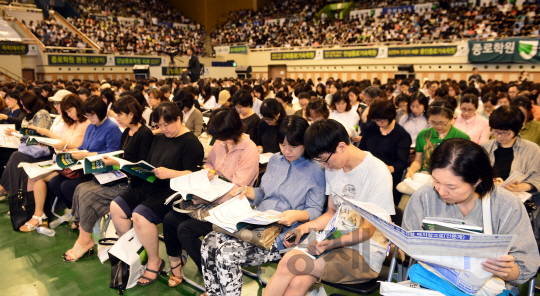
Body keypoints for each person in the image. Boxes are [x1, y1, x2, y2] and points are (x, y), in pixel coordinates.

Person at [264, 119, 395, 295]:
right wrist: (302, 229)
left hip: (364, 253)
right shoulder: (333, 167)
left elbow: (366, 232)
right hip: (332, 239)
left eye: (324, 160)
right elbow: (332, 213)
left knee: (290, 262)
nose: (324, 166)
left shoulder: (377, 172)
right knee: (296, 282)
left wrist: (329, 244)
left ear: (341, 146)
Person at [200, 116, 326, 296]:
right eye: (282, 145)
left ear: (305, 143)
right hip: (256, 222)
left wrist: (295, 215)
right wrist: (249, 191)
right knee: (209, 242)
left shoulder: (317, 170)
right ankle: (214, 293)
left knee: (227, 254)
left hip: (282, 234)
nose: (287, 151)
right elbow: (263, 193)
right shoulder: (275, 160)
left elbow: (315, 211)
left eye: (293, 146)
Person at [403, 138, 540, 295]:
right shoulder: (425, 197)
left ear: (477, 180)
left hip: (489, 288)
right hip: (434, 282)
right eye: (436, 181)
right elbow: (410, 240)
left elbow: (527, 264)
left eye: (451, 186)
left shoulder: (506, 205)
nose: (441, 191)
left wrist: (508, 271)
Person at [109, 102, 204, 286]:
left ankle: (154, 261)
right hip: (151, 185)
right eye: (159, 125)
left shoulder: (191, 143)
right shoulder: (160, 138)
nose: (163, 129)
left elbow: (195, 175)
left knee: (140, 215)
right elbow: (151, 163)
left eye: (166, 125)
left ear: (178, 119)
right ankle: (135, 250)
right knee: (116, 207)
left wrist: (170, 173)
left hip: (172, 193)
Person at [163, 107, 259, 288]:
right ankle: (176, 264)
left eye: (222, 137)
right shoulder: (221, 142)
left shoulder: (249, 150)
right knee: (169, 219)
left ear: (233, 131)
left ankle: (211, 272)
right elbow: (209, 163)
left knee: (185, 229)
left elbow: (236, 189)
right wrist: (208, 173)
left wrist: (205, 198)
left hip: (229, 206)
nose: (219, 141)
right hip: (208, 198)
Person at [63, 96, 153, 261]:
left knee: (88, 194)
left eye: (120, 114)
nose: (117, 118)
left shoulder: (144, 134)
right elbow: (119, 156)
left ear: (131, 114)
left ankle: (85, 241)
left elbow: (142, 167)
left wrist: (117, 163)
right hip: (120, 176)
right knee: (81, 188)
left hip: (134, 183)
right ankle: (85, 238)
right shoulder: (126, 131)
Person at [48, 95, 122, 210]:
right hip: (85, 167)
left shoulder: (111, 128)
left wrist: (85, 155)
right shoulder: (91, 126)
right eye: (87, 115)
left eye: (91, 115)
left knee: (67, 186)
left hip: (100, 170)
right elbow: (84, 146)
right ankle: (78, 212)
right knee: (54, 183)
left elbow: (112, 153)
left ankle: (83, 213)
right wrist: (70, 152)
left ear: (100, 111)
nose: (89, 118)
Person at [397, 100, 470, 197]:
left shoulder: (462, 138)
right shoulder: (424, 134)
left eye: (442, 123)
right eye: (433, 122)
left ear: (452, 118)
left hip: (449, 181)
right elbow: (418, 161)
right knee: (405, 204)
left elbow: (463, 168)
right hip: (424, 177)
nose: (437, 126)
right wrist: (411, 171)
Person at [0, 91, 53, 197]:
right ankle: (10, 192)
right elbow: (26, 132)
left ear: (31, 103)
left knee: (15, 156)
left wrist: (19, 134)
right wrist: (16, 134)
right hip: (28, 148)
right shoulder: (28, 115)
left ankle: (6, 189)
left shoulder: (42, 114)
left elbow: (39, 135)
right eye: (22, 105)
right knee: (15, 156)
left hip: (39, 151)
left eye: (25, 104)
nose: (23, 107)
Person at [360, 99, 412, 205]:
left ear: (391, 116)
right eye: (376, 120)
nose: (379, 123)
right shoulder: (371, 128)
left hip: (388, 177)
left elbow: (401, 163)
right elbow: (361, 149)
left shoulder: (402, 135)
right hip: (367, 173)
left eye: (382, 120)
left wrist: (386, 169)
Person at [481, 106, 540, 197]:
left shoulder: (532, 149)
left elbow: (537, 178)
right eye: (495, 132)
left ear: (517, 130)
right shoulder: (485, 147)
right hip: (488, 194)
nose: (499, 136)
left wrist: (518, 187)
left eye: (505, 133)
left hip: (517, 198)